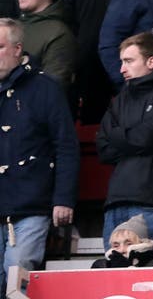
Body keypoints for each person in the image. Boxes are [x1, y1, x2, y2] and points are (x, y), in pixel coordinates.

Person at [0, 19, 78, 295]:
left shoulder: (45, 88)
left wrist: (63, 199)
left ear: (17, 48)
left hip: (31, 206)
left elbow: (66, 145)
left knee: (16, 275)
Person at [96, 33, 153, 255]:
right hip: (115, 201)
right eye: (121, 62)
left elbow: (145, 136)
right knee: (114, 280)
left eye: (129, 61)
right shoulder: (121, 98)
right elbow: (103, 147)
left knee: (151, 277)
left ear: (151, 61)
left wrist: (118, 134)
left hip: (152, 201)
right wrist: (133, 139)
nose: (121, 69)